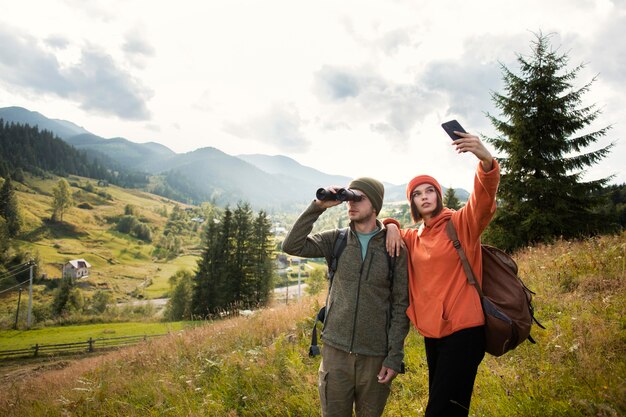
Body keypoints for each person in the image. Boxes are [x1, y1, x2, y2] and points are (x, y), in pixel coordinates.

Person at [384, 130, 500, 417]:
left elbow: (483, 202)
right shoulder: (413, 237)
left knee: (439, 410)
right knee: (452, 406)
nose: (424, 197)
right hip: (433, 333)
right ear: (412, 203)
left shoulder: (461, 224)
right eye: (417, 194)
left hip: (464, 330)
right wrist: (389, 224)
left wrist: (485, 160)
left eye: (430, 190)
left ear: (438, 194)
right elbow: (387, 228)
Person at [282, 177, 410, 417]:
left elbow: (401, 306)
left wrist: (394, 358)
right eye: (349, 197)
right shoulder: (336, 240)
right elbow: (291, 246)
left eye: (359, 198)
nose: (351, 204)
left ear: (375, 206)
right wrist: (318, 206)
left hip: (375, 357)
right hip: (335, 353)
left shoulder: (394, 248)